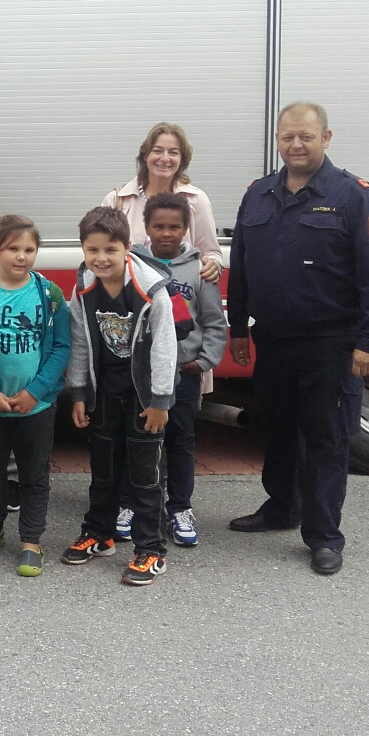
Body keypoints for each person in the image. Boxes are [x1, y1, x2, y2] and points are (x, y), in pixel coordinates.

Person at [227, 102, 369, 576]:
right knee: (277, 428)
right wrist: (238, 326)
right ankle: (282, 507)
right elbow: (240, 265)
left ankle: (324, 536)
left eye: (305, 136)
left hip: (332, 342)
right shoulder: (259, 194)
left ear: (326, 138)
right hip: (274, 340)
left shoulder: (355, 195)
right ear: (277, 141)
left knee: (326, 438)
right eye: (287, 138)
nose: (295, 145)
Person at [62, 206, 180, 587]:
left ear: (127, 248)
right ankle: (99, 534)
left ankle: (150, 550)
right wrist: (79, 391)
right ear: (82, 249)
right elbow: (80, 341)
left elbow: (165, 348)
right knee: (104, 471)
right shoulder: (83, 286)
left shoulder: (151, 290)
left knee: (145, 477)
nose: (101, 258)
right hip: (105, 393)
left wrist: (160, 401)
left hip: (143, 397)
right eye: (92, 250)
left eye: (110, 250)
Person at [0, 214, 71, 578]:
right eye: (13, 248)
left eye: (29, 249)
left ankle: (31, 540)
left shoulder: (49, 294)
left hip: (35, 406)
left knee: (34, 473)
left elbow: (61, 347)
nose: (21, 256)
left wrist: (36, 391)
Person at [140, 193, 227, 547]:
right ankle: (139, 506)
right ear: (146, 228)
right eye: (158, 226)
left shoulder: (198, 270)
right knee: (145, 442)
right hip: (145, 376)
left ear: (186, 229)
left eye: (174, 227)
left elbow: (214, 322)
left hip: (184, 373)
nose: (166, 233)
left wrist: (203, 362)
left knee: (181, 441)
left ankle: (179, 508)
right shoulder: (135, 264)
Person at [101, 122, 223, 283]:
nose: (165, 159)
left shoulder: (196, 200)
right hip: (130, 298)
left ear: (182, 160)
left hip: (178, 299)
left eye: (173, 153)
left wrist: (213, 265)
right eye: (157, 151)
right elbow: (99, 251)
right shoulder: (116, 200)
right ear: (145, 156)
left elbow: (212, 253)